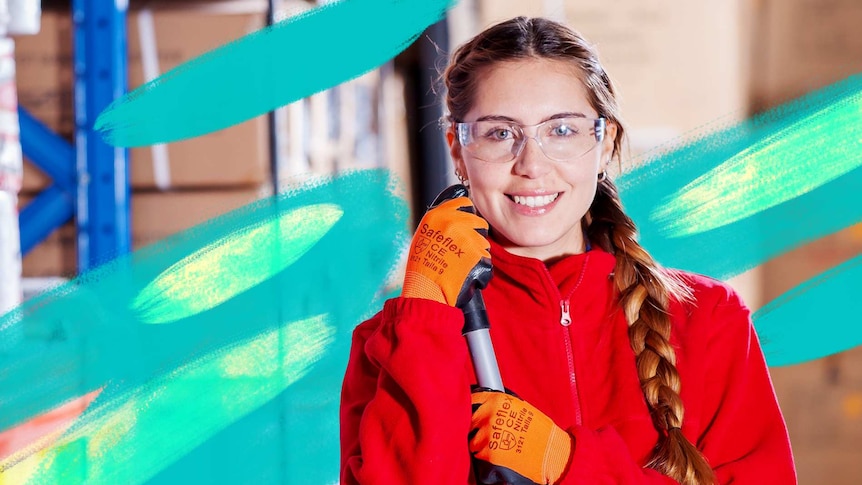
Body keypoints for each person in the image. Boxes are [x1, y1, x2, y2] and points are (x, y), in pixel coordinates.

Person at [340, 16, 797, 485]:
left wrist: (569, 464)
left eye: (561, 131)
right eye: (500, 133)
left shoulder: (708, 319)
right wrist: (425, 318)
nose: (532, 166)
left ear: (605, 144)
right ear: (458, 149)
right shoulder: (396, 341)